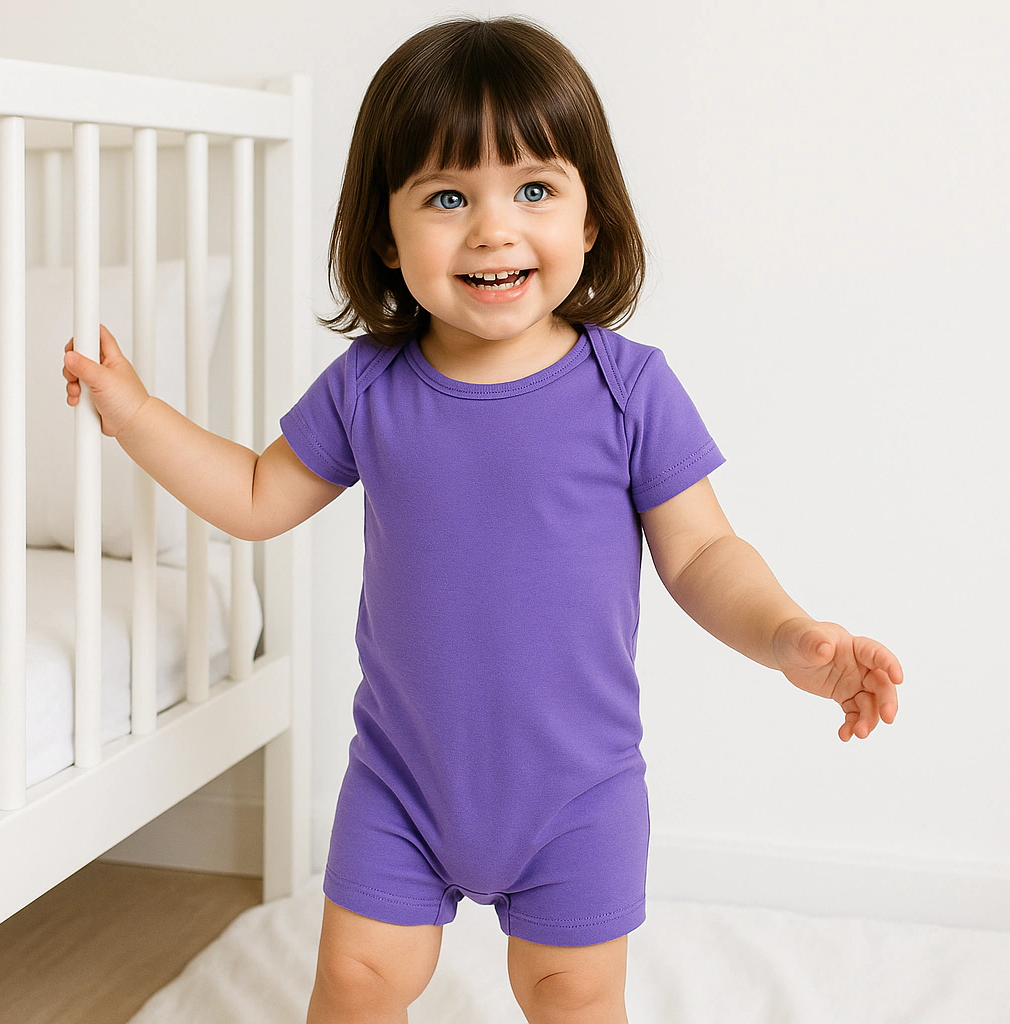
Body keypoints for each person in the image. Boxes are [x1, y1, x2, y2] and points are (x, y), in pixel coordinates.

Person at [62, 14, 904, 1024]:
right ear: (385, 232)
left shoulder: (629, 389)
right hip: (401, 781)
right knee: (356, 984)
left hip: (577, 794)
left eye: (534, 190)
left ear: (591, 221)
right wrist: (138, 416)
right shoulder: (368, 388)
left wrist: (787, 635)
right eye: (448, 197)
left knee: (571, 996)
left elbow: (703, 553)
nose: (493, 229)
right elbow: (252, 495)